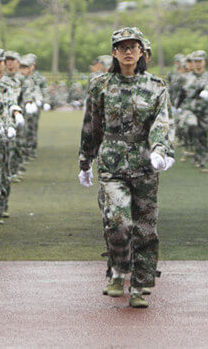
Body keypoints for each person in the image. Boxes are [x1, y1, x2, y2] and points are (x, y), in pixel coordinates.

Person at [78, 27, 173, 308]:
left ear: (142, 51)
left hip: (145, 164)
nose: (128, 51)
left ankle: (140, 286)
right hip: (112, 163)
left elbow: (163, 122)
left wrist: (160, 150)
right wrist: (85, 160)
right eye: (122, 47)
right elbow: (91, 125)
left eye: (133, 47)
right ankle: (119, 269)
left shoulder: (156, 86)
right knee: (118, 221)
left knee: (145, 228)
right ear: (114, 53)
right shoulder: (100, 85)